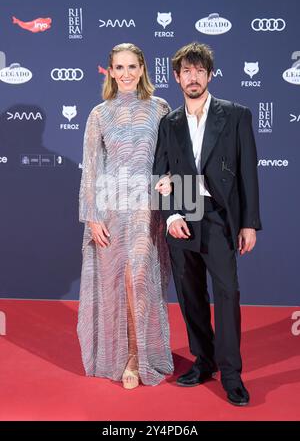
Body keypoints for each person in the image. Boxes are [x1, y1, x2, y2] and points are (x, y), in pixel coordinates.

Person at [153, 42, 262, 406]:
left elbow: (248, 172)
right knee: (190, 295)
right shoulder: (168, 123)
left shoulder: (235, 115)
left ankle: (232, 375)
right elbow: (159, 174)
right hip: (183, 217)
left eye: (200, 71)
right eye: (186, 71)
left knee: (227, 295)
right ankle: (204, 361)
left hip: (218, 217)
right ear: (176, 76)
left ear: (210, 75)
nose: (193, 77)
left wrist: (249, 224)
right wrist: (170, 215)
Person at [78, 43, 174, 389]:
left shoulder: (160, 108)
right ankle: (120, 354)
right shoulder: (98, 114)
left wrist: (172, 180)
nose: (126, 74)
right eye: (119, 67)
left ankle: (137, 356)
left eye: (132, 66)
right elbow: (90, 170)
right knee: (116, 284)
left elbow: (174, 158)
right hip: (111, 208)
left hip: (147, 210)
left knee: (138, 279)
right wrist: (92, 217)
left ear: (143, 68)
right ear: (110, 71)